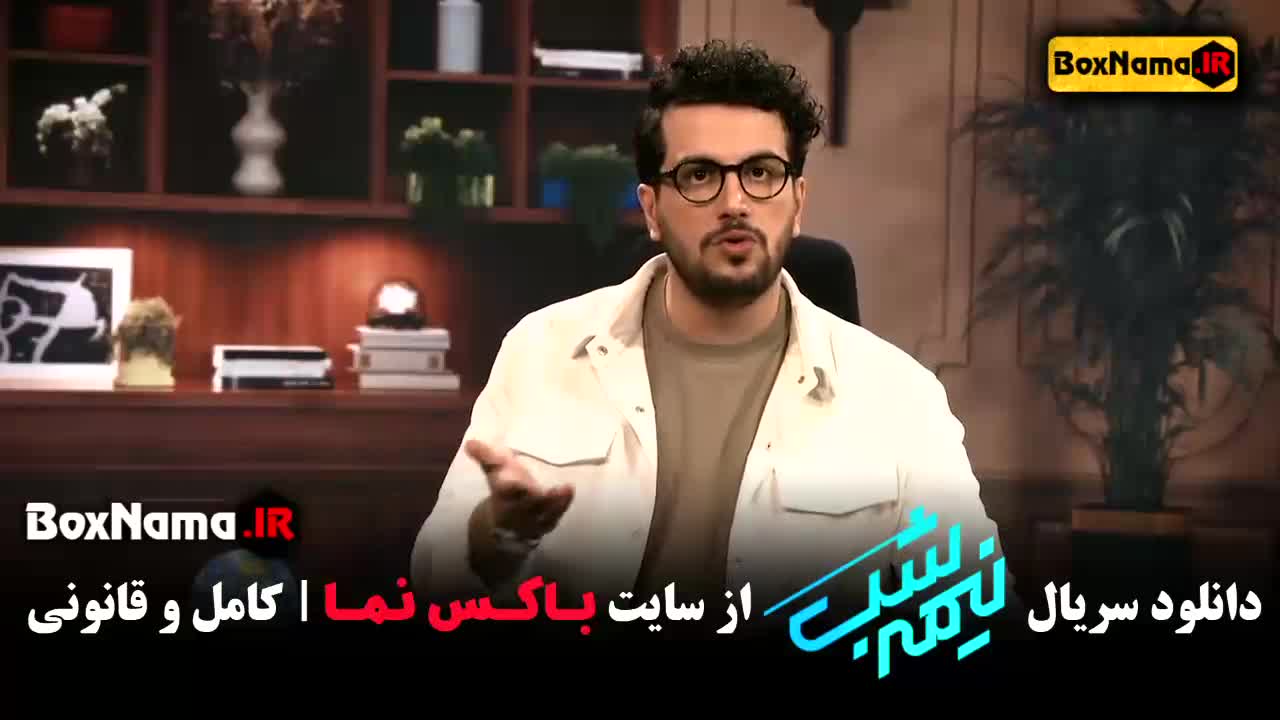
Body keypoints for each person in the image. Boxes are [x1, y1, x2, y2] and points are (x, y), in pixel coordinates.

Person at [411, 40, 1019, 634]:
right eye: (699, 175)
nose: (735, 203)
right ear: (652, 210)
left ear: (798, 201)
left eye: (761, 172)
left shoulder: (899, 396)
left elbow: (979, 613)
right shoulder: (541, 352)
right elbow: (433, 580)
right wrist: (495, 535)